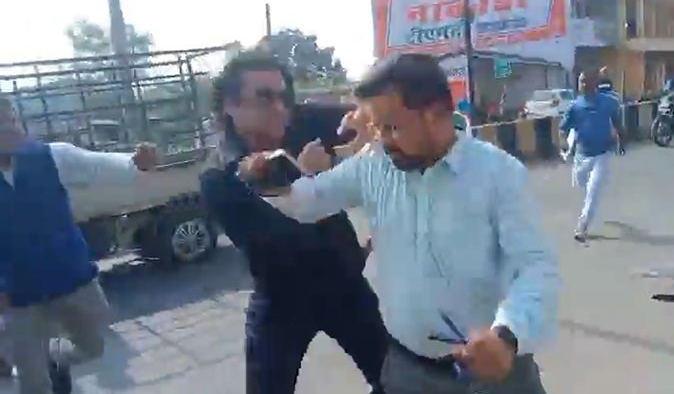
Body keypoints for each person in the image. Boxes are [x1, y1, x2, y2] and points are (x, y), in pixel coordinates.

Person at [243, 52, 559, 394]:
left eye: (392, 127)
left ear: (434, 114)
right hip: (408, 372)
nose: (382, 139)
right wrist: (267, 181)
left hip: (495, 375)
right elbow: (311, 199)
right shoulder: (373, 165)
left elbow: (534, 267)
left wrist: (507, 337)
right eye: (376, 127)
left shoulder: (499, 174)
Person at [197, 50, 387, 394]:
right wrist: (309, 179)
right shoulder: (219, 175)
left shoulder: (301, 120)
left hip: (345, 284)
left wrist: (365, 121)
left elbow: (373, 112)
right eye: (264, 98)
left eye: (284, 96)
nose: (279, 108)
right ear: (230, 106)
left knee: (395, 380)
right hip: (282, 299)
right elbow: (277, 239)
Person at [0, 97, 158, 394]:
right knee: (32, 384)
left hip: (72, 280)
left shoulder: (52, 157)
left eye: (12, 120)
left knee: (94, 347)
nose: (10, 128)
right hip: (19, 295)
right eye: (1, 123)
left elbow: (98, 164)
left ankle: (55, 358)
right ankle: (37, 368)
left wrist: (135, 162)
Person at [559, 70, 625, 242]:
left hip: (602, 154)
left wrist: (621, 141)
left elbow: (617, 123)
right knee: (582, 185)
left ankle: (582, 225)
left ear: (594, 82)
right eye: (580, 81)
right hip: (581, 156)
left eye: (585, 81)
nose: (582, 84)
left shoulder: (608, 102)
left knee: (593, 191)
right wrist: (564, 144)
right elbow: (563, 128)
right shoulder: (575, 106)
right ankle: (589, 208)